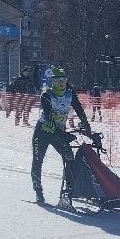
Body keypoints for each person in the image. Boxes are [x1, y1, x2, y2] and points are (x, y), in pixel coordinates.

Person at [30, 65, 90, 204]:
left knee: (70, 158)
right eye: (57, 79)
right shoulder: (46, 95)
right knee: (38, 160)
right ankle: (38, 191)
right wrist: (63, 135)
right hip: (43, 132)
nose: (61, 82)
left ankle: (69, 191)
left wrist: (86, 124)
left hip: (59, 133)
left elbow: (79, 109)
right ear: (53, 80)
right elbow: (50, 119)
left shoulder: (70, 93)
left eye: (63, 79)